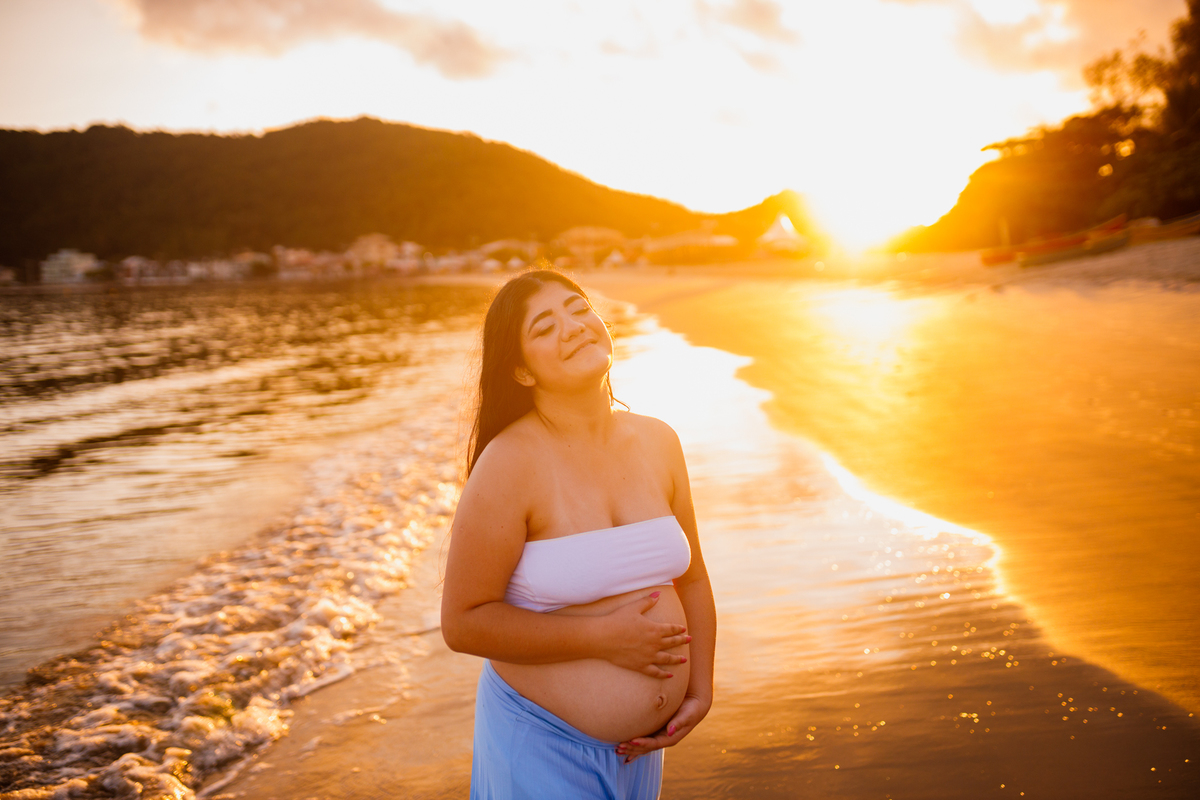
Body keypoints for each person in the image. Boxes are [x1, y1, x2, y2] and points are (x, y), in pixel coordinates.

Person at [441, 268, 716, 799]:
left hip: (641, 753)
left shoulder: (659, 441)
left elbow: (695, 580)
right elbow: (462, 623)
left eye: (578, 308)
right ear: (521, 371)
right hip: (540, 745)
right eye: (544, 327)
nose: (572, 326)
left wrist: (700, 689)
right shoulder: (508, 465)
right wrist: (603, 637)